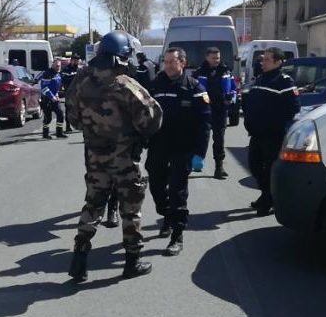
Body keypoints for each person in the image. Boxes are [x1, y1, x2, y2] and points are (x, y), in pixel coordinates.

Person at [65, 30, 163, 281]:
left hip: (95, 157)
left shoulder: (80, 82)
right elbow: (152, 119)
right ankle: (132, 261)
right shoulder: (125, 84)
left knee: (93, 205)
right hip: (124, 159)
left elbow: (73, 119)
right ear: (123, 55)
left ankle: (79, 261)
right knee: (131, 209)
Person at [145, 47, 211, 256]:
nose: (168, 66)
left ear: (183, 63)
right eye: (165, 62)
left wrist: (200, 153)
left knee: (177, 192)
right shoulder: (155, 85)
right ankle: (167, 216)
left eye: (172, 62)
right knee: (156, 186)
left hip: (183, 148)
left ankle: (177, 235)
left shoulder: (194, 87)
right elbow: (143, 114)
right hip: (158, 145)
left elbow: (204, 122)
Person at [242, 47, 300, 216]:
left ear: (278, 62)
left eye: (267, 59)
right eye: (263, 59)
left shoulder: (284, 81)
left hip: (272, 134)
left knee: (268, 169)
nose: (263, 63)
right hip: (256, 133)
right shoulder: (261, 78)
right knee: (254, 165)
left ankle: (267, 201)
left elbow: (294, 108)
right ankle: (266, 194)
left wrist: (273, 120)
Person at [193, 47, 236, 179]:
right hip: (204, 110)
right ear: (207, 57)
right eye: (213, 58)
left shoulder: (226, 71)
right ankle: (196, 161)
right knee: (202, 137)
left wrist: (230, 98)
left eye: (218, 58)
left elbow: (233, 88)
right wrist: (203, 102)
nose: (216, 60)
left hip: (220, 110)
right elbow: (194, 90)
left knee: (219, 139)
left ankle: (219, 167)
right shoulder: (199, 72)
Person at [40, 59, 67, 139]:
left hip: (55, 98)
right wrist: (52, 97)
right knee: (48, 118)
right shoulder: (47, 74)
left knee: (60, 114)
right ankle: (45, 134)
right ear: (53, 65)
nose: (58, 67)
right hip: (46, 99)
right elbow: (44, 88)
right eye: (57, 66)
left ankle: (59, 132)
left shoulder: (58, 74)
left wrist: (57, 95)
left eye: (59, 66)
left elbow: (56, 87)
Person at [61, 54, 80, 133]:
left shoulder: (79, 69)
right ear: (71, 60)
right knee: (69, 110)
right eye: (74, 60)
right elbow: (64, 79)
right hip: (69, 93)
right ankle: (68, 126)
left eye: (77, 61)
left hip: (79, 93)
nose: (76, 62)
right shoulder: (66, 70)